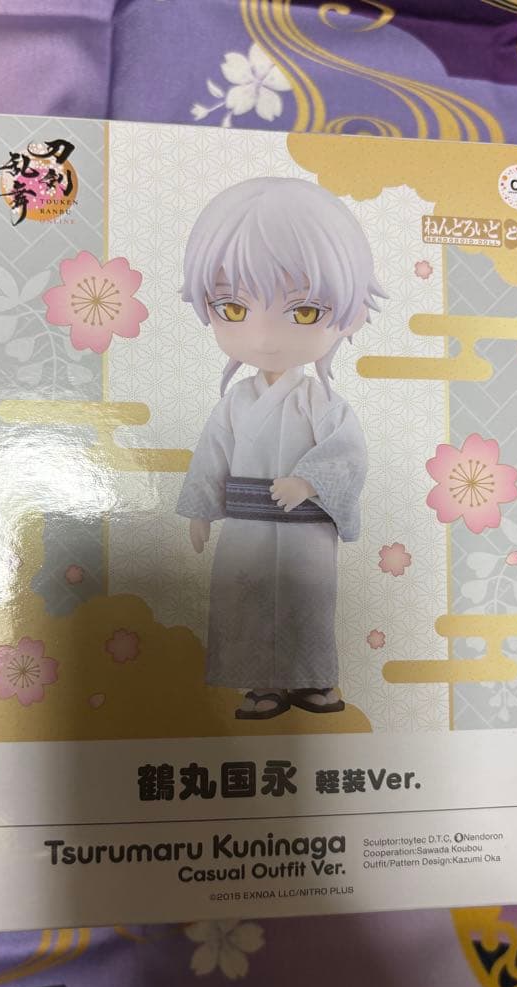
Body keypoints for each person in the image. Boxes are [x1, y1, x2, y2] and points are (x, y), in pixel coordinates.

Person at [177, 176, 384, 719]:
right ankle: (261, 684)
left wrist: (309, 481)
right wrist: (201, 509)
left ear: (349, 314)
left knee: (306, 601)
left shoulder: (322, 403)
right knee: (244, 602)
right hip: (245, 526)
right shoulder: (235, 403)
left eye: (304, 311)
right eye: (233, 308)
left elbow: (348, 453)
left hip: (303, 527)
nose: (265, 337)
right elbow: (212, 453)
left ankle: (314, 682)